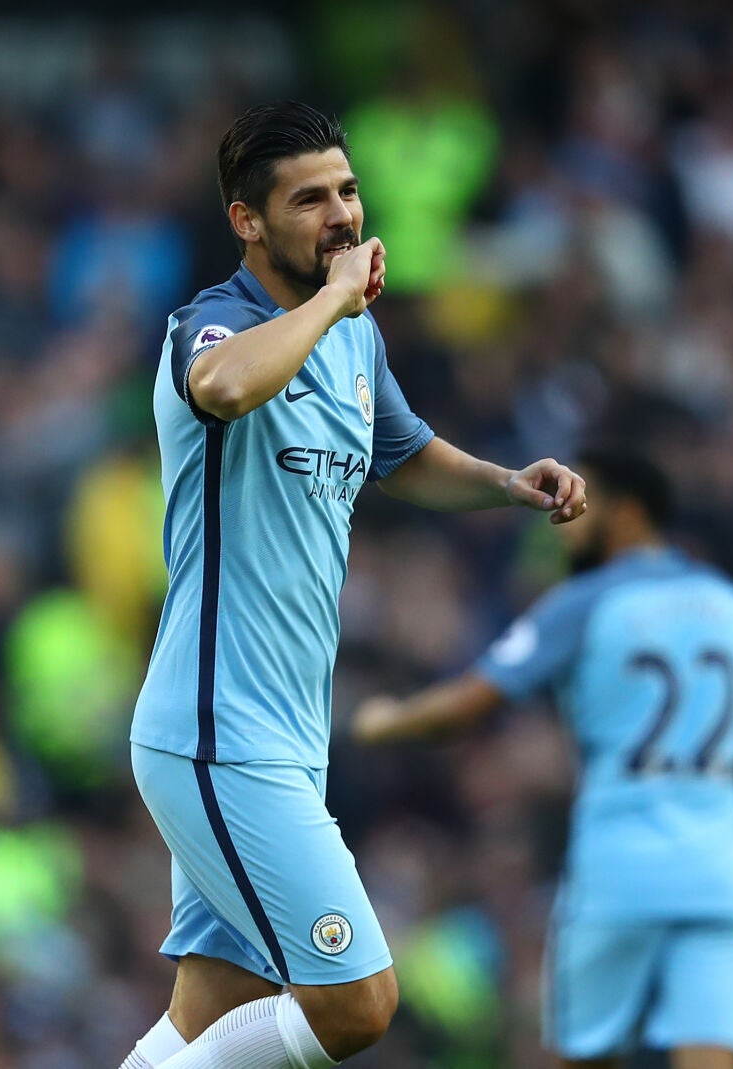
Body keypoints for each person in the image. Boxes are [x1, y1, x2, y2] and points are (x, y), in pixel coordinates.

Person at [119, 101, 588, 1069]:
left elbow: (402, 454)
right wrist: (332, 299)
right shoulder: (214, 323)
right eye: (307, 200)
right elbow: (222, 390)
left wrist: (506, 484)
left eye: (347, 191)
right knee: (356, 1004)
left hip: (284, 732)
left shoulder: (352, 341)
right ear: (247, 220)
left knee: (216, 1011)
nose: (339, 216)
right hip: (215, 729)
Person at [351, 449, 733, 1069]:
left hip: (620, 864)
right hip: (719, 873)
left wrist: (386, 721)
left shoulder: (588, 601)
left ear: (625, 512)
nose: (562, 519)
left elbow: (465, 708)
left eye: (578, 502)